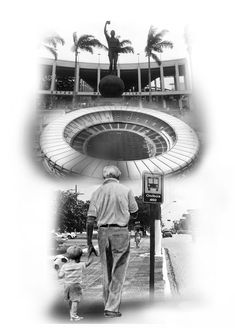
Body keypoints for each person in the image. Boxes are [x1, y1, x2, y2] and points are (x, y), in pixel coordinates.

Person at [86, 165, 138, 318]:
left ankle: (107, 305)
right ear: (118, 176)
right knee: (119, 271)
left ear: (104, 177)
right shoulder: (126, 190)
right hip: (121, 231)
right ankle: (111, 308)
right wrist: (127, 216)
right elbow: (134, 212)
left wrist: (89, 243)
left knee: (106, 271)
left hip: (102, 232)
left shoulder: (97, 192)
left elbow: (90, 220)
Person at [58, 245, 93, 321]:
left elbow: (60, 276)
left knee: (71, 300)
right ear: (79, 256)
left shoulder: (64, 266)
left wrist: (58, 270)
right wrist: (91, 253)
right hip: (76, 285)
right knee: (75, 300)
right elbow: (89, 262)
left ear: (68, 256)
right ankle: (74, 316)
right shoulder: (81, 265)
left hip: (67, 285)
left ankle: (71, 315)